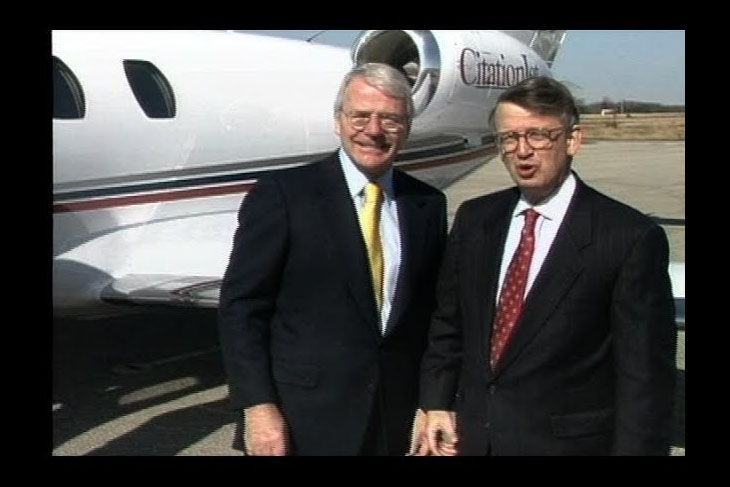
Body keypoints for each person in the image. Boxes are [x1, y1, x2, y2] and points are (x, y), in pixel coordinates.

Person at [416, 76, 676, 456]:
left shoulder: (628, 237)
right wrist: (436, 401)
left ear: (573, 140)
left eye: (539, 135)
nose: (522, 151)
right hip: (472, 441)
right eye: (509, 138)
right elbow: (449, 324)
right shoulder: (476, 220)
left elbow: (645, 379)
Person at [218, 62, 447, 456]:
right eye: (360, 116)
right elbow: (242, 308)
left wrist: (433, 401)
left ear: (407, 128)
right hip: (302, 419)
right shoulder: (284, 195)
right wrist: (257, 406)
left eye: (390, 119)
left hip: (393, 418)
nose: (373, 131)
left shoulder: (426, 204)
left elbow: (432, 314)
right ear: (338, 121)